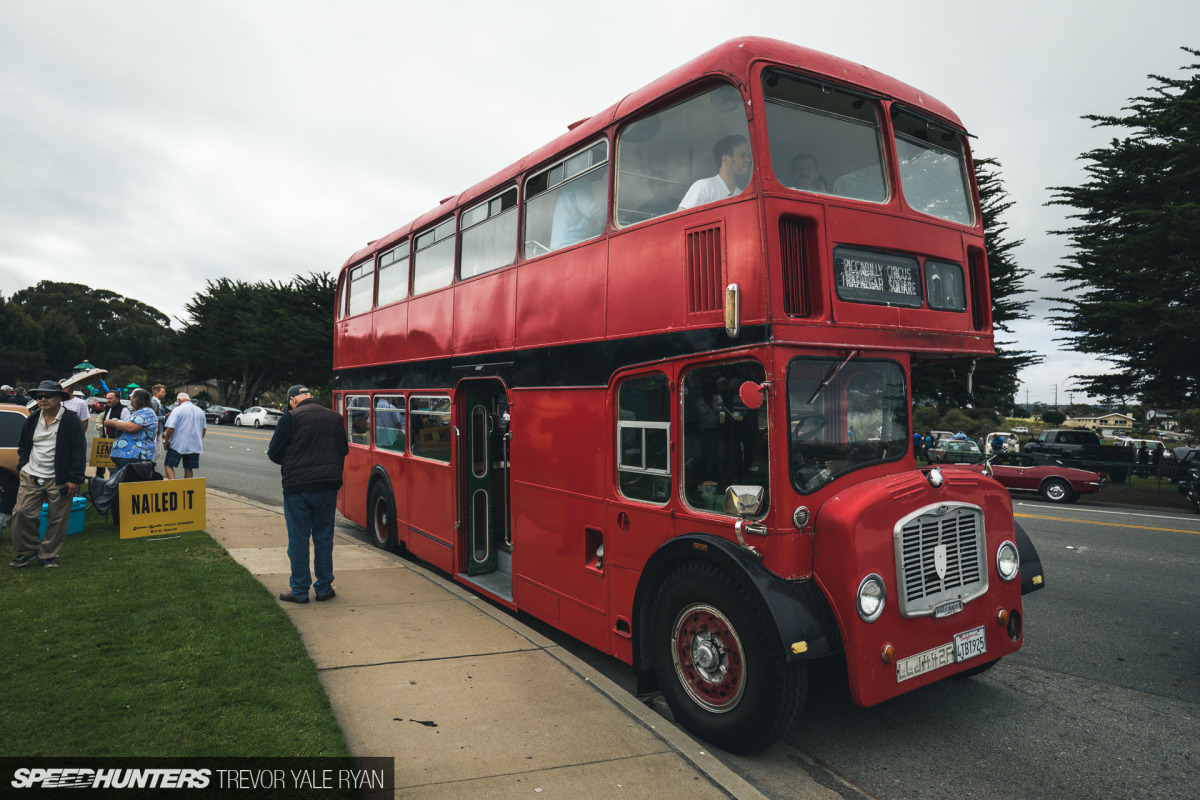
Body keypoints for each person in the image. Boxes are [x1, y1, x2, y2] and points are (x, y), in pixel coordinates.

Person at [268, 385, 348, 604]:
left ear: (293, 400)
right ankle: (324, 587)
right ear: (310, 397)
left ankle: (300, 590)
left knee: (299, 539)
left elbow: (274, 453)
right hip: (328, 486)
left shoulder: (291, 417)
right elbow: (344, 449)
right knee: (324, 538)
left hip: (298, 488)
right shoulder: (335, 417)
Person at [9, 380, 86, 569]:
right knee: (21, 512)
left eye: (47, 395)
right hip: (31, 474)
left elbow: (78, 450)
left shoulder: (70, 419)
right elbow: (23, 445)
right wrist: (23, 464)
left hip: (59, 478)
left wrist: (74, 479)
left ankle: (48, 555)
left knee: (57, 518)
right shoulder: (33, 418)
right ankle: (27, 550)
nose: (42, 399)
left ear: (59, 398)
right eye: (39, 396)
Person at [678, 135, 752, 210]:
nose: (748, 160)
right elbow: (680, 219)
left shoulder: (742, 195)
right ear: (726, 159)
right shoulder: (704, 187)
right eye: (742, 155)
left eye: (747, 156)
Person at [549, 169, 606, 250]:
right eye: (603, 170)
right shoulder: (581, 180)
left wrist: (599, 228)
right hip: (569, 244)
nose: (603, 174)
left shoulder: (574, 183)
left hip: (562, 244)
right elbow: (589, 210)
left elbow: (581, 223)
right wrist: (613, 214)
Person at [103, 388, 157, 468]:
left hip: (135, 456)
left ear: (137, 399)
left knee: (129, 480)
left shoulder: (146, 412)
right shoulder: (139, 412)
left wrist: (112, 422)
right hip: (128, 456)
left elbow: (130, 427)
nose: (130, 400)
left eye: (131, 397)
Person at [162, 392, 206, 479]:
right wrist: (199, 439)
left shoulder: (178, 410)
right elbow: (204, 429)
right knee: (188, 468)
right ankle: (187, 488)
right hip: (194, 444)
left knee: (168, 465)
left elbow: (170, 428)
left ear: (178, 400)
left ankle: (173, 486)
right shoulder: (200, 411)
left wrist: (166, 441)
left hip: (177, 444)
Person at [95, 391, 130, 478]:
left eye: (111, 398)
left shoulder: (124, 409)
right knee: (101, 467)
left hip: (117, 445)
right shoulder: (108, 408)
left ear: (118, 399)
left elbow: (127, 426)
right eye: (107, 398)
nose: (108, 400)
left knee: (114, 470)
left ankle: (114, 488)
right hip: (106, 443)